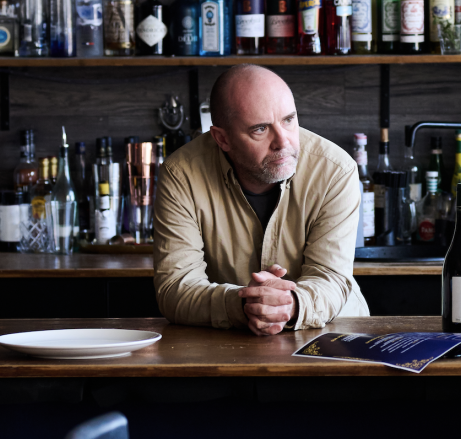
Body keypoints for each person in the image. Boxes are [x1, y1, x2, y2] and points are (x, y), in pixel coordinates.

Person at [154, 64, 370, 335]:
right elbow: (176, 288)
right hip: (229, 342)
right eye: (260, 129)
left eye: (289, 120)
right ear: (222, 138)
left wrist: (289, 305)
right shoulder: (181, 174)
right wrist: (244, 304)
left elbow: (331, 279)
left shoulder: (335, 170)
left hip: (334, 334)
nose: (283, 141)